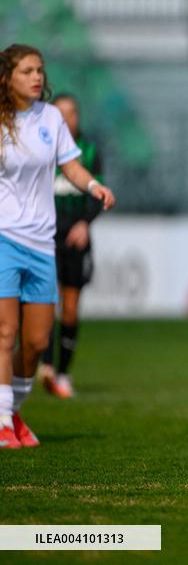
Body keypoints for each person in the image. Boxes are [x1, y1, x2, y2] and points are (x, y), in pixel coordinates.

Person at [0, 44, 115, 449]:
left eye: (40, 70)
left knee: (34, 344)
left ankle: (11, 411)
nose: (37, 77)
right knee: (6, 331)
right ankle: (1, 422)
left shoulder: (51, 118)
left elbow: (71, 165)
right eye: (27, 70)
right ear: (7, 78)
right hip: (4, 238)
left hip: (41, 244)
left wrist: (94, 185)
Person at [39, 93, 103, 398]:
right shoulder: (39, 148)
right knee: (45, 303)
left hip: (76, 236)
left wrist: (85, 223)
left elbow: (96, 192)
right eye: (60, 112)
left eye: (72, 112)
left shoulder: (89, 151)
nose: (67, 118)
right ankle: (46, 367)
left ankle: (63, 373)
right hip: (45, 235)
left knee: (71, 308)